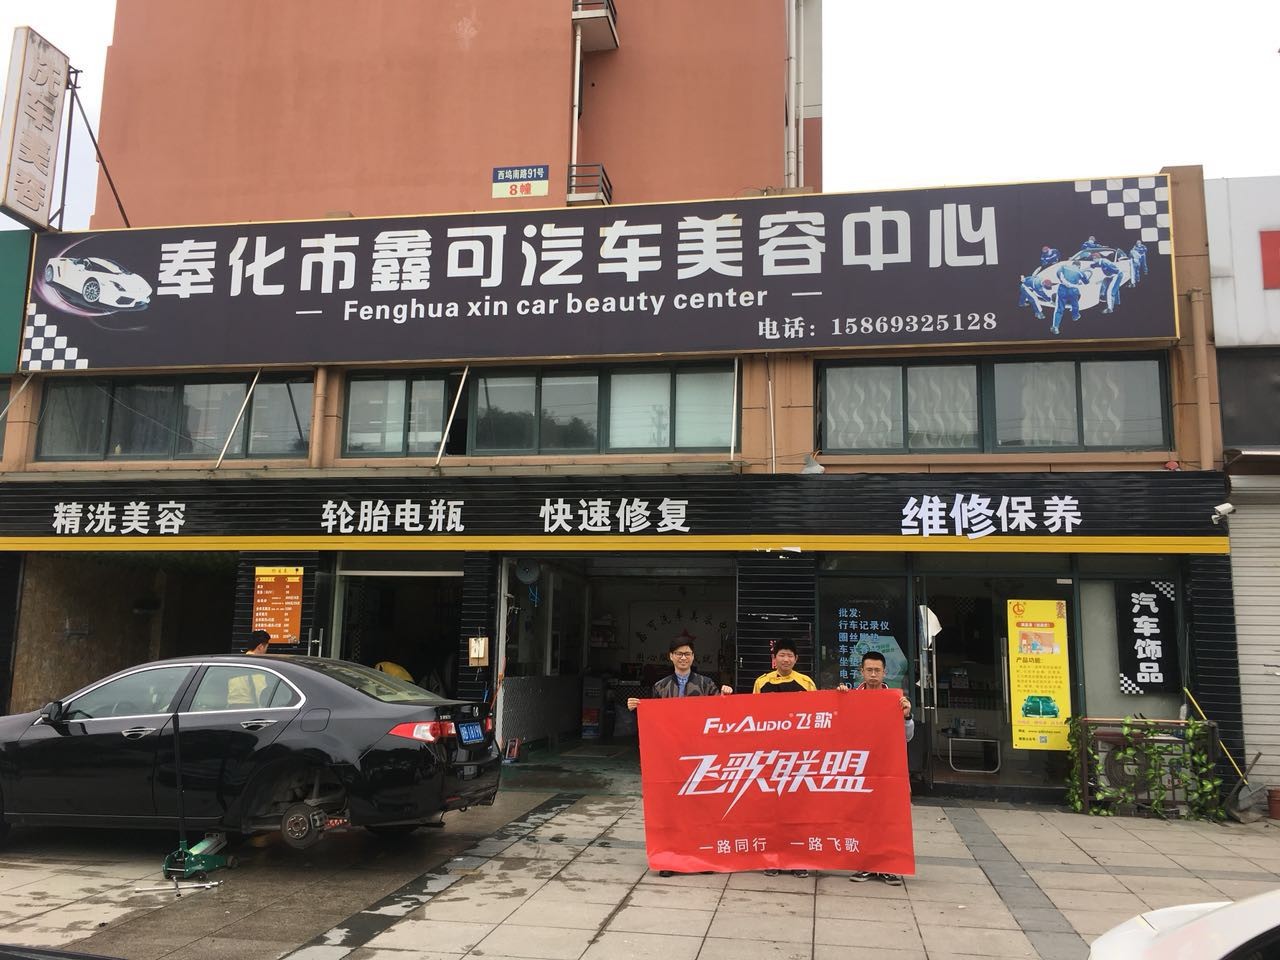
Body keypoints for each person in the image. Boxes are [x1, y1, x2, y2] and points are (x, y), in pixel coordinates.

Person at [629, 635, 732, 878]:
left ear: (693, 657)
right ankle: (670, 858)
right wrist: (637, 708)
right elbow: (653, 722)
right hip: (671, 758)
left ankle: (703, 856)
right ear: (671, 657)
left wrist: (725, 695)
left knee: (701, 807)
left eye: (687, 653)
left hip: (700, 756)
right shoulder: (660, 686)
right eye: (679, 654)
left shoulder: (707, 684)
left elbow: (721, 715)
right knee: (671, 809)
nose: (683, 658)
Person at [848, 650, 914, 887]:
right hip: (861, 769)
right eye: (869, 670)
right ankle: (865, 864)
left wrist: (907, 717)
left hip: (888, 770)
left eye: (877, 670)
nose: (873, 674)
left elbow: (907, 737)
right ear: (861, 672)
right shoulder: (851, 698)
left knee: (890, 818)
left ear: (885, 672)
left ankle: (889, 866)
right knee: (862, 818)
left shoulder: (896, 700)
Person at [754, 638, 816, 877]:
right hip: (770, 757)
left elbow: (815, 717)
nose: (786, 659)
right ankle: (773, 858)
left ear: (796, 659)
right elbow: (753, 717)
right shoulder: (762, 682)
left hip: (798, 757)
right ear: (774, 658)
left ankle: (798, 859)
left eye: (790, 655)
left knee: (798, 809)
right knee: (772, 810)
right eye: (782, 655)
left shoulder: (806, 683)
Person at [1051, 259, 1092, 334]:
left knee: (1059, 308)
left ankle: (1055, 327)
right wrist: (1079, 282)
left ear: (1072, 264)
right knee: (1075, 304)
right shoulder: (1080, 272)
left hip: (1062, 288)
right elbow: (1086, 282)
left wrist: (1064, 282)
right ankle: (1075, 316)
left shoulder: (1064, 267)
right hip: (1073, 290)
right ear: (1079, 266)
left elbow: (1058, 273)